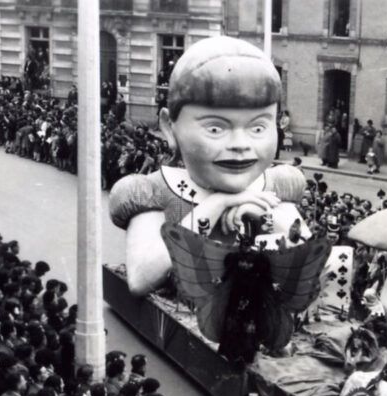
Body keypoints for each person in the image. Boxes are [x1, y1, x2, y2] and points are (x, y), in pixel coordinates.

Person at [107, 36, 310, 296]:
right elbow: (141, 277)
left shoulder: (274, 188)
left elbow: (317, 269)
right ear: (170, 127)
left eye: (258, 127)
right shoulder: (155, 193)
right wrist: (217, 205)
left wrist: (267, 216)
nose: (240, 144)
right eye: (215, 128)